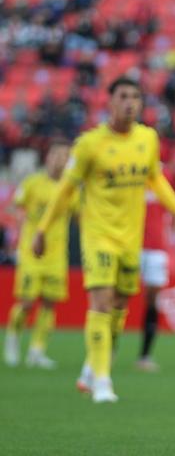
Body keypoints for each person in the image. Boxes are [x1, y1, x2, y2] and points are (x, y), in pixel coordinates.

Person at [33, 76, 175, 403]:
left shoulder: (148, 139)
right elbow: (65, 190)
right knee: (102, 303)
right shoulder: (89, 144)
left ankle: (92, 368)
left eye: (135, 97)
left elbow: (155, 179)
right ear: (109, 102)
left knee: (120, 306)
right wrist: (41, 229)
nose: (130, 103)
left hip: (130, 239)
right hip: (99, 236)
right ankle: (103, 382)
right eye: (123, 96)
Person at [4, 140, 76, 369]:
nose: (60, 160)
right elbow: (15, 206)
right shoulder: (33, 182)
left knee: (49, 304)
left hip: (57, 255)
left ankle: (37, 350)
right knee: (26, 303)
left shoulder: (70, 189)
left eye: (65, 156)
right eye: (56, 154)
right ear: (48, 157)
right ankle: (13, 339)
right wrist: (21, 221)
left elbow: (79, 214)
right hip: (31, 253)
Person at [137, 157, 175, 372]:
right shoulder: (130, 171)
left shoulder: (166, 176)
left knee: (152, 298)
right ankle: (108, 351)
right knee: (116, 299)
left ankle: (145, 355)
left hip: (157, 247)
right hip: (129, 243)